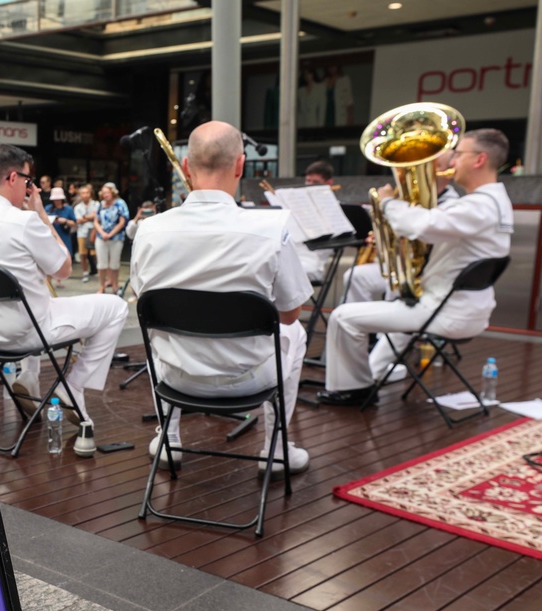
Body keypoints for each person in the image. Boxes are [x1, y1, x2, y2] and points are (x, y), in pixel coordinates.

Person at [131, 120, 314, 474]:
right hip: (250, 377)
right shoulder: (272, 228)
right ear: (240, 164)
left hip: (175, 378)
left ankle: (168, 438)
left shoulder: (149, 230)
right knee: (297, 332)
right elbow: (290, 314)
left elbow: (143, 303)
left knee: (159, 328)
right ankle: (275, 449)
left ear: (185, 166)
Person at [0, 144, 128, 456]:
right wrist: (41, 214)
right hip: (29, 332)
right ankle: (73, 387)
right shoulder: (24, 221)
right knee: (116, 307)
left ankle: (29, 378)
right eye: (28, 182)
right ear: (13, 177)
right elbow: (64, 269)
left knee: (33, 298)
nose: (30, 188)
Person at [317, 129, 513, 406]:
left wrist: (387, 204)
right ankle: (366, 377)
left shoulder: (479, 206)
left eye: (458, 154)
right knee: (374, 298)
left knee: (342, 317)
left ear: (479, 160)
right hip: (460, 307)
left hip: (444, 311)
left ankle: (355, 389)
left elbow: (425, 226)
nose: (453, 161)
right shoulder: (493, 202)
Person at [341, 152, 459, 306]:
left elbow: (422, 230)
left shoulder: (452, 205)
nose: (423, 169)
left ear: (448, 173)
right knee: (355, 276)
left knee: (398, 283)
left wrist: (389, 204)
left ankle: (385, 328)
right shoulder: (407, 198)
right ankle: (365, 324)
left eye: (435, 165)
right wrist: (383, 237)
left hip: (426, 272)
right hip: (401, 265)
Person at [95, 182, 129, 294]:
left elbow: (122, 221)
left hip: (116, 238)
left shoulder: (120, 203)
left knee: (114, 264)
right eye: (103, 192)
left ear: (113, 192)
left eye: (107, 192)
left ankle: (115, 285)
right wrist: (102, 233)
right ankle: (101, 287)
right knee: (101, 264)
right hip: (101, 237)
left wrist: (110, 234)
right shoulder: (100, 204)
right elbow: (96, 221)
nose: (105, 195)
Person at [45, 187, 77, 287]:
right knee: (49, 258)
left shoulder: (68, 209)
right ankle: (49, 280)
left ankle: (59, 279)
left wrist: (65, 221)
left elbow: (74, 223)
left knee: (63, 256)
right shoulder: (48, 208)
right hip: (51, 236)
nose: (57, 201)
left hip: (64, 235)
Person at [74, 184, 100, 283]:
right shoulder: (77, 207)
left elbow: (97, 217)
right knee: (83, 254)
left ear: (90, 194)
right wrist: (90, 217)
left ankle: (98, 270)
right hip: (82, 232)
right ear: (80, 195)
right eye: (83, 193)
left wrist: (85, 217)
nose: (85, 195)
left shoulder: (96, 204)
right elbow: (78, 220)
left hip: (93, 230)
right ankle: (85, 272)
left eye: (87, 193)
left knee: (95, 253)